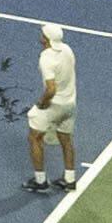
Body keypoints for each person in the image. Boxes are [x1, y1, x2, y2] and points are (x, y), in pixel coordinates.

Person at [25, 20, 86, 195]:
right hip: (69, 105)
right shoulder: (68, 50)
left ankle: (40, 182)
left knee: (34, 138)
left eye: (43, 34)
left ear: (47, 39)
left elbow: (51, 89)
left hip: (53, 106)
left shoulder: (46, 58)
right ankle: (69, 180)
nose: (41, 36)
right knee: (66, 140)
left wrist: (42, 102)